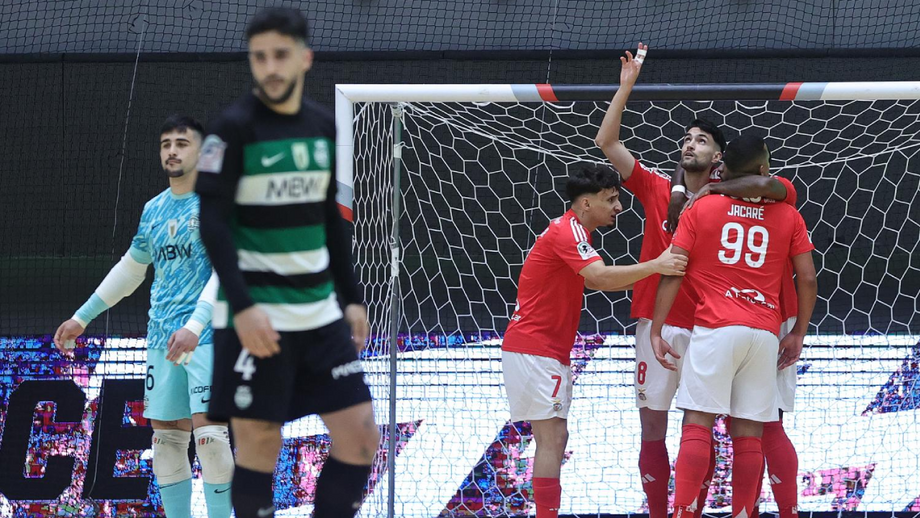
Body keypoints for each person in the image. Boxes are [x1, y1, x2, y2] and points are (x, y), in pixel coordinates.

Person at [594, 44, 796, 518]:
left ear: (721, 157)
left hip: (714, 325)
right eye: (686, 138)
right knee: (656, 428)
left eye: (701, 140)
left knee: (720, 427)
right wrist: (625, 88)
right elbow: (608, 143)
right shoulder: (656, 187)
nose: (690, 144)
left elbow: (783, 188)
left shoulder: (746, 199)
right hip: (659, 324)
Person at [194, 8, 378, 518]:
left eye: (280, 55)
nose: (270, 67)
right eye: (259, 57)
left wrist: (353, 299)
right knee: (258, 445)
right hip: (256, 318)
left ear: (304, 58)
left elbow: (328, 220)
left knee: (361, 438)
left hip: (319, 316)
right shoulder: (231, 131)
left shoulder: (321, 127)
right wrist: (246, 306)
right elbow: (213, 224)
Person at [53, 115, 233, 518]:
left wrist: (195, 324)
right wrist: (83, 318)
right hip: (162, 340)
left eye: (182, 143)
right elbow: (132, 270)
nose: (172, 150)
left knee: (211, 440)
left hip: (207, 337)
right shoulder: (153, 210)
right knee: (166, 444)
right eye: (166, 143)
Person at [501, 164, 688, 518]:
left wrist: (654, 273)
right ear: (586, 203)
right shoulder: (567, 231)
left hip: (545, 349)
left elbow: (591, 280)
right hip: (534, 348)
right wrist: (656, 266)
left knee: (556, 438)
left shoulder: (574, 232)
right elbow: (599, 277)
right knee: (551, 440)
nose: (619, 207)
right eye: (611, 199)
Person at [649, 134, 817, 518]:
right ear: (762, 170)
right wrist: (798, 333)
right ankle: (745, 513)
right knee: (750, 434)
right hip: (762, 332)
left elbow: (673, 268)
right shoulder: (789, 213)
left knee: (697, 424)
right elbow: (806, 278)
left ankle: (684, 513)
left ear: (724, 168)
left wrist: (657, 330)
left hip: (716, 327)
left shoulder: (702, 208)